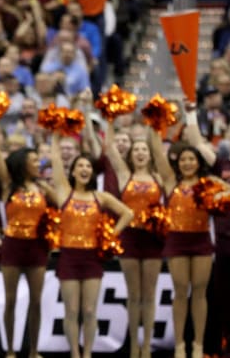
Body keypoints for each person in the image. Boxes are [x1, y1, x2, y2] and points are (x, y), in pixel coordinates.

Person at [149, 126, 230, 358]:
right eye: (183, 159)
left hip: (201, 241)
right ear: (177, 163)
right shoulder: (170, 182)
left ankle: (198, 345)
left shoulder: (207, 183)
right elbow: (158, 153)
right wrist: (154, 127)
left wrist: (223, 192)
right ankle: (180, 345)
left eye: (191, 159)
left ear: (198, 162)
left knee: (200, 294)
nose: (187, 163)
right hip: (177, 242)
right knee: (180, 293)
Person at [49, 133, 133, 358]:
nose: (85, 169)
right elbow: (56, 159)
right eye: (80, 166)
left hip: (92, 258)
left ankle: (87, 354)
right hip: (68, 257)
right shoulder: (64, 192)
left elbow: (128, 213)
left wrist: (110, 236)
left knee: (89, 311)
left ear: (92, 172)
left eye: (88, 166)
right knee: (72, 310)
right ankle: (75, 353)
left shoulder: (101, 196)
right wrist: (56, 133)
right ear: (73, 171)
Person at [182, 103, 230, 358]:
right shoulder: (221, 166)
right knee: (223, 298)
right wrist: (190, 114)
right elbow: (198, 144)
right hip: (222, 242)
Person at [0, 126, 53, 358]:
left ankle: (34, 351)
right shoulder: (8, 185)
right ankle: (10, 351)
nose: (39, 163)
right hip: (13, 245)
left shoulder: (42, 187)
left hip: (37, 247)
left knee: (36, 302)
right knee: (11, 300)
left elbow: (63, 202)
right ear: (23, 163)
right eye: (34, 160)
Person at [104, 120, 163, 358]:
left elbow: (159, 146)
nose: (140, 153)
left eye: (144, 149)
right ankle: (133, 347)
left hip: (152, 239)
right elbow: (109, 147)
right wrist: (109, 118)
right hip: (129, 237)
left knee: (149, 295)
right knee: (134, 295)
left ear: (150, 155)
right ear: (131, 154)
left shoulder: (160, 177)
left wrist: (154, 123)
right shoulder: (124, 174)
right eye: (136, 149)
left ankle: (146, 347)